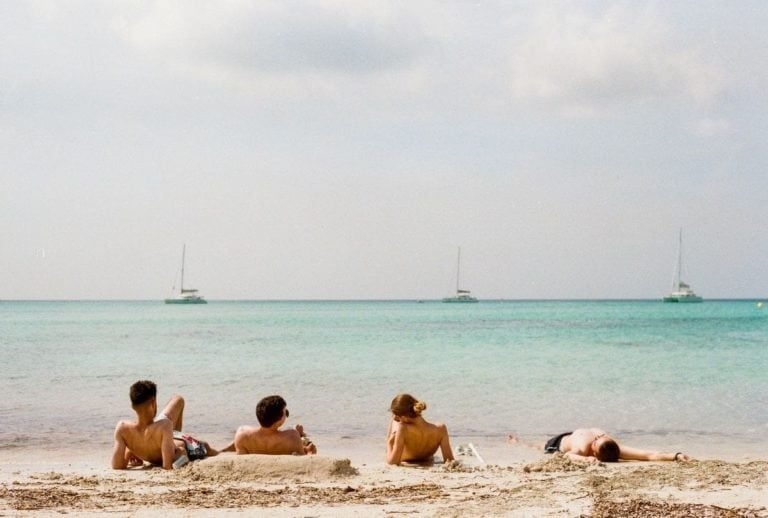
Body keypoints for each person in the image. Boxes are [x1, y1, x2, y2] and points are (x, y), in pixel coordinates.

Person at [111, 380, 222, 470]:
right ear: (153, 403)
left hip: (159, 437)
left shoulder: (122, 428)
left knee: (178, 400)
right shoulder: (165, 425)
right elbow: (167, 466)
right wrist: (182, 456)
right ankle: (223, 452)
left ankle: (172, 438)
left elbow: (117, 465)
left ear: (132, 406)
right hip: (178, 443)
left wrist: (130, 453)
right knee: (205, 447)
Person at [540, 427, 691, 463]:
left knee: (537, 446)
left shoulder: (614, 449)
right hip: (557, 441)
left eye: (595, 442)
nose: (597, 437)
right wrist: (586, 459)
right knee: (538, 447)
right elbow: (569, 455)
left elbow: (648, 455)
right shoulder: (584, 446)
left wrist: (675, 455)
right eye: (599, 438)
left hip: (569, 438)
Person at [233, 395, 317, 455]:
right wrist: (309, 452)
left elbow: (241, 459)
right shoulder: (292, 436)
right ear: (279, 421)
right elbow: (302, 458)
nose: (286, 415)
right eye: (285, 413)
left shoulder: (241, 435)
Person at [386, 393, 454, 465]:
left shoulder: (403, 428)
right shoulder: (441, 429)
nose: (397, 420)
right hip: (426, 458)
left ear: (404, 417)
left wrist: (389, 443)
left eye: (397, 418)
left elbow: (393, 462)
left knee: (393, 422)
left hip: (406, 458)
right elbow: (449, 460)